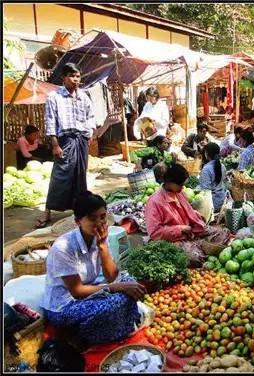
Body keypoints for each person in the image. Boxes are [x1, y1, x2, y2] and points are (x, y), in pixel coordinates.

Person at [40, 191, 145, 346]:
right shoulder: (63, 247)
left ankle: (115, 324)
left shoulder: (101, 237)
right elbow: (77, 292)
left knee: (130, 281)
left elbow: (113, 276)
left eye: (102, 217)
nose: (99, 223)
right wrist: (116, 287)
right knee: (114, 303)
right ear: (78, 221)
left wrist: (102, 246)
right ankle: (81, 335)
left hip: (92, 287)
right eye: (92, 218)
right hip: (65, 305)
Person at [36, 63, 96, 228]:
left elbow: (91, 116)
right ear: (63, 77)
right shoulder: (54, 97)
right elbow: (50, 122)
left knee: (80, 175)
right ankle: (48, 211)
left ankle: (80, 210)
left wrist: (89, 132)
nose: (75, 79)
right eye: (72, 76)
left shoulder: (84, 96)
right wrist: (55, 144)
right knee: (60, 174)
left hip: (81, 140)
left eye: (78, 76)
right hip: (65, 141)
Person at [145, 163, 231, 265]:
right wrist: (180, 229)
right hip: (173, 240)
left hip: (192, 232)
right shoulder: (155, 202)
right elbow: (155, 233)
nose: (182, 188)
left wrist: (195, 216)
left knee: (224, 233)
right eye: (180, 185)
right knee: (195, 258)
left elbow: (186, 210)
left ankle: (198, 245)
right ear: (169, 182)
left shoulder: (179, 192)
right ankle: (198, 247)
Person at [198, 143, 227, 212]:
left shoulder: (206, 169)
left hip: (212, 203)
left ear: (206, 153)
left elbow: (205, 191)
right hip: (222, 199)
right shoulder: (222, 166)